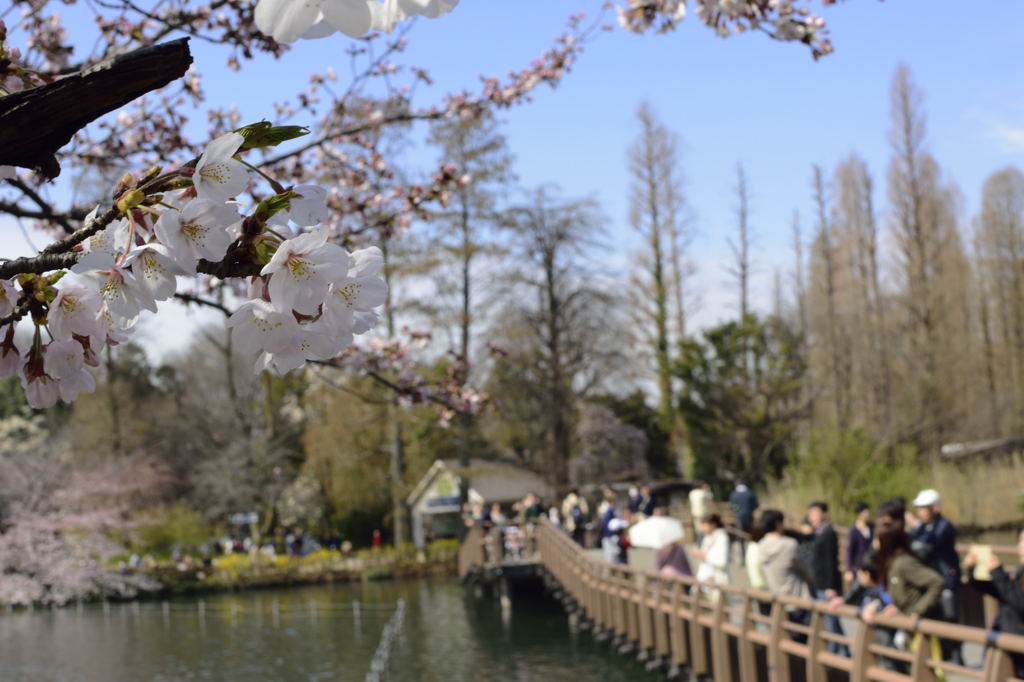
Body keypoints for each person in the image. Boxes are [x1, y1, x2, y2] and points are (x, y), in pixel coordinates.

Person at [865, 520, 945, 670]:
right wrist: (888, 606)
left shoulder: (904, 563)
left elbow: (937, 581)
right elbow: (897, 592)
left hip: (918, 629)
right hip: (905, 627)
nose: (874, 544)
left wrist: (918, 609)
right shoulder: (891, 563)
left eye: (877, 540)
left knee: (924, 672)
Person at [908, 488, 962, 665]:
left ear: (935, 507)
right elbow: (910, 543)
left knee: (950, 615)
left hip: (947, 579)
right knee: (934, 616)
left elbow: (929, 543)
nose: (920, 511)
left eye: (924, 507)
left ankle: (956, 654)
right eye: (919, 508)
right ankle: (939, 654)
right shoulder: (922, 527)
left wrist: (916, 530)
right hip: (930, 581)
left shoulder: (944, 526)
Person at [965, 527, 1024, 677]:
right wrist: (972, 571)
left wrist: (998, 573)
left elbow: (1019, 601)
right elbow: (1001, 592)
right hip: (1010, 645)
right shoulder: (1020, 572)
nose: (1020, 547)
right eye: (1020, 541)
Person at [802, 501, 848, 656]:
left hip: (826, 585)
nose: (811, 517)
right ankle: (840, 651)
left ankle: (838, 652)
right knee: (830, 620)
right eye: (810, 514)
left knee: (831, 620)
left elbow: (830, 561)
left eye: (814, 513)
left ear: (824, 514)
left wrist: (831, 587)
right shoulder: (820, 531)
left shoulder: (828, 532)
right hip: (820, 583)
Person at [758, 509, 813, 634]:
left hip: (777, 600)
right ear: (778, 524)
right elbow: (805, 567)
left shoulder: (760, 546)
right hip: (797, 599)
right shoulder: (789, 545)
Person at [693, 514, 731, 597]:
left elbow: (722, 561)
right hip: (705, 578)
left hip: (718, 579)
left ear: (713, 524)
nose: (702, 528)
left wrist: (704, 555)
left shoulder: (722, 538)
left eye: (704, 525)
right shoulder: (707, 537)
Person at [846, 502, 874, 586]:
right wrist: (849, 569)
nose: (867, 514)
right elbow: (850, 550)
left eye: (868, 512)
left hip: (871, 564)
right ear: (859, 513)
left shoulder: (872, 527)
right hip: (858, 566)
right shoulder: (854, 530)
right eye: (865, 512)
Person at [729, 482, 759, 556]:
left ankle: (743, 555)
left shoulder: (734, 495)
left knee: (741, 536)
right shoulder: (750, 493)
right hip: (749, 516)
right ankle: (751, 554)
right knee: (751, 535)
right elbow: (756, 505)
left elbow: (733, 507)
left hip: (739, 517)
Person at [598, 489, 621, 564]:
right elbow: (608, 525)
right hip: (610, 535)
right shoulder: (609, 511)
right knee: (612, 557)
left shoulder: (611, 510)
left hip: (608, 535)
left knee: (612, 556)